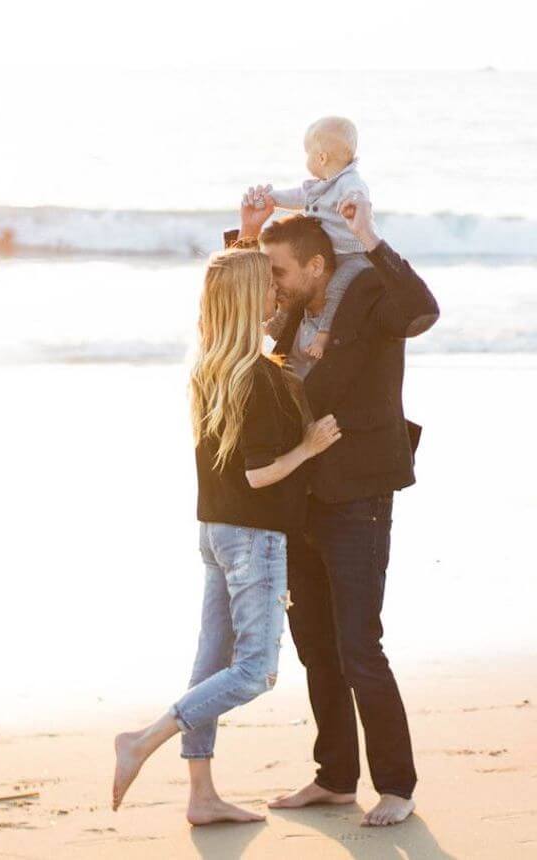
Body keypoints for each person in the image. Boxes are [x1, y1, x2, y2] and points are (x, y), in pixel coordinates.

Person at [224, 190, 440, 826]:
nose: (273, 285)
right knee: (315, 644)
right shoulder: (292, 310)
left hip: (358, 497)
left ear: (316, 267)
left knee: (358, 647)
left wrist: (370, 235)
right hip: (302, 498)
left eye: (280, 271)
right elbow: (231, 311)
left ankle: (396, 785)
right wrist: (247, 234)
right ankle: (335, 777)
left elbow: (423, 310)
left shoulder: (371, 293)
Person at [111, 248, 340, 824]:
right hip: (252, 536)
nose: (276, 296)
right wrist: (309, 447)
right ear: (245, 301)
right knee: (255, 670)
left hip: (216, 530)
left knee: (212, 662)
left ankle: (201, 796)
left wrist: (253, 233)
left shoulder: (212, 365)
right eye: (266, 287)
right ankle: (142, 740)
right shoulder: (259, 377)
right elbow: (257, 472)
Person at [252, 115, 373, 362]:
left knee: (337, 288)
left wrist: (355, 205)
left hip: (352, 255)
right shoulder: (321, 185)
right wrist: (272, 198)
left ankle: (323, 333)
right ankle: (277, 327)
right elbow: (299, 196)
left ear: (321, 158)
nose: (306, 159)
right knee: (294, 289)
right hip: (329, 252)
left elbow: (357, 193)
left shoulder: (349, 182)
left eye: (307, 153)